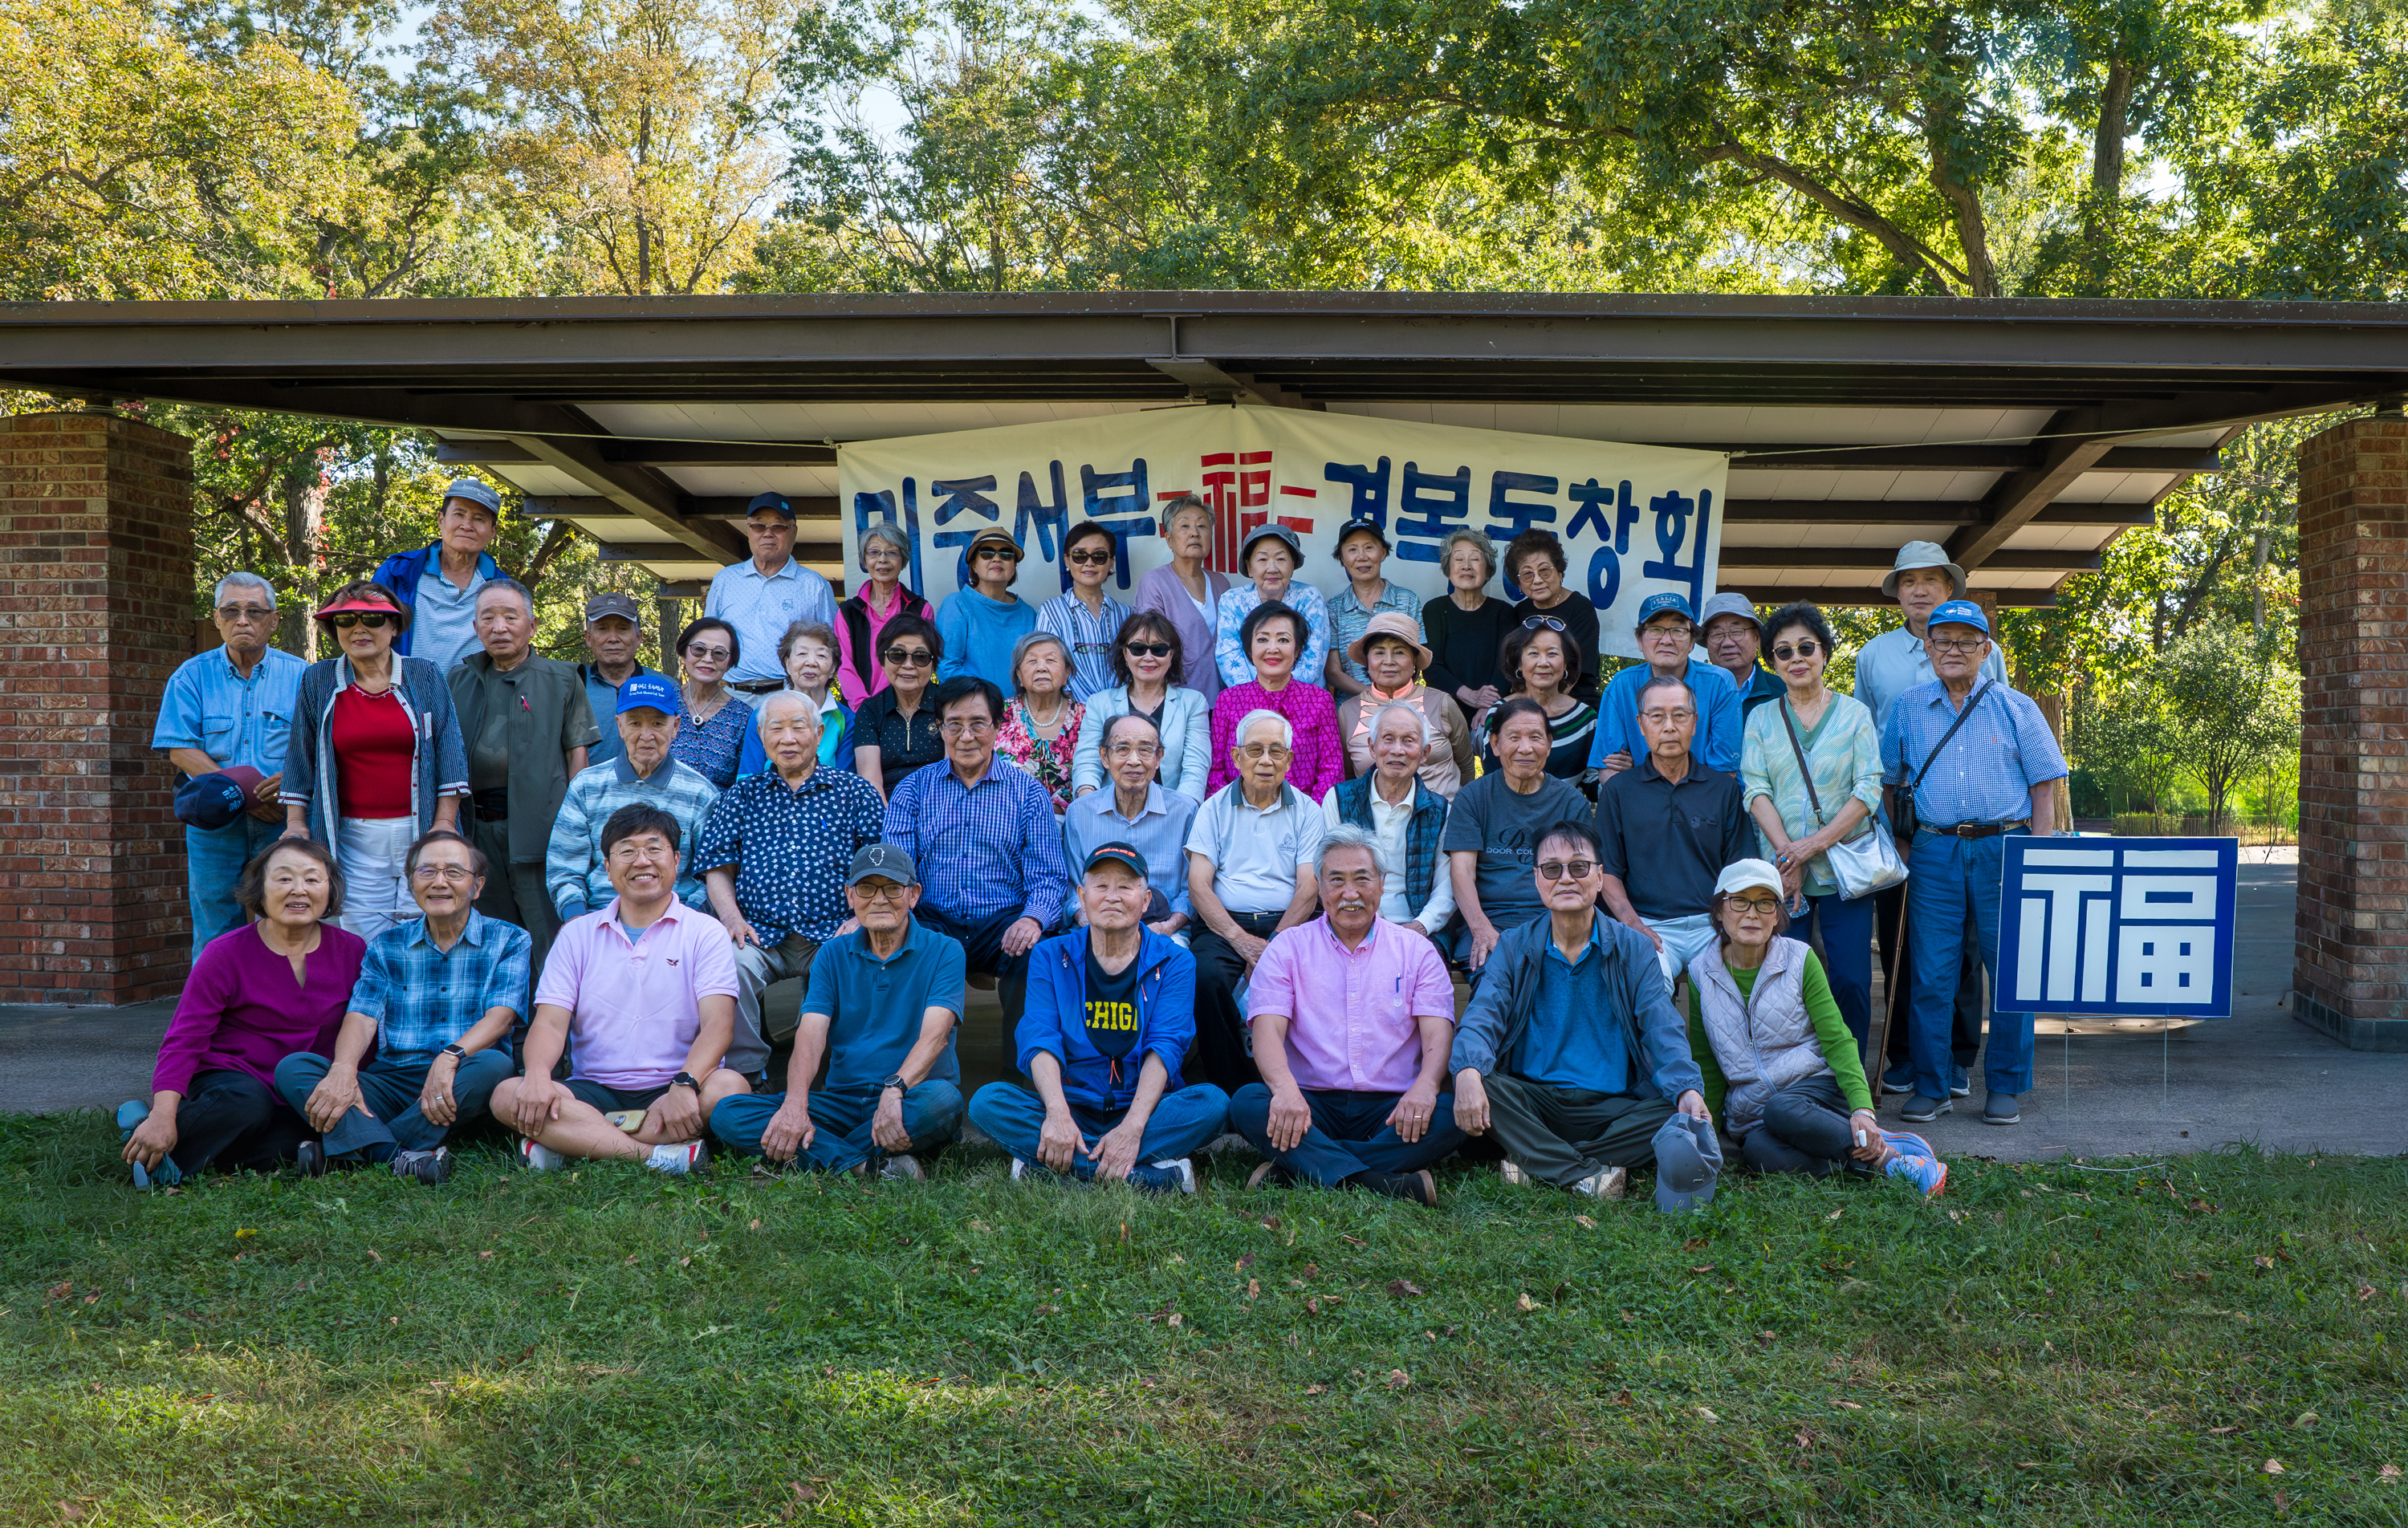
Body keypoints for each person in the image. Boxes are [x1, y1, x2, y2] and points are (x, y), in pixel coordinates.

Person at [1449, 821, 1719, 1206]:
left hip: (1612, 1108)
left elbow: (1662, 1026)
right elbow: (1482, 1017)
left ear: (1599, 877)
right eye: (1551, 869)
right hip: (1533, 1101)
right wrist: (1468, 1072)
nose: (1566, 879)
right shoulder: (1513, 946)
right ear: (1537, 880)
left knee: (1674, 1113)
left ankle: (1533, 1158)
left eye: (1579, 867)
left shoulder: (1634, 949)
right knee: (1481, 1082)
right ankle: (1587, 1173)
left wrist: (1687, 1089)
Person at [1881, 599, 2065, 1128]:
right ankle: (1932, 1084)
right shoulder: (1908, 706)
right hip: (1934, 851)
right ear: (1928, 648)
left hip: (2004, 848)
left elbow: (2045, 787)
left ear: (1986, 650)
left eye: (1967, 641)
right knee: (1932, 974)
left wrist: (2039, 858)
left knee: (2009, 972)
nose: (1953, 650)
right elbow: (1889, 780)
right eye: (1943, 640)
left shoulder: (2017, 706)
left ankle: (2005, 1084)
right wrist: (1903, 843)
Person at [494, 804, 751, 1173]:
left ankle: (573, 1141)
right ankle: (657, 1156)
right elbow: (549, 1022)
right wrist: (536, 1077)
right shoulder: (576, 934)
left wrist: (684, 1084)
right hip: (593, 1088)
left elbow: (719, 1025)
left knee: (729, 1088)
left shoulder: (705, 931)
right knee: (507, 1095)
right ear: (607, 867)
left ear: (677, 860)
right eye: (627, 851)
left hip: (677, 1084)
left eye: (654, 849)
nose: (642, 861)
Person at [273, 828, 532, 1185]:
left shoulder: (510, 938)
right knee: (295, 1067)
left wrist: (450, 1056)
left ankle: (357, 1147)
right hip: (393, 1080)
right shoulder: (386, 945)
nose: (439, 882)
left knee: (495, 1065)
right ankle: (396, 1157)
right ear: (411, 883)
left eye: (454, 872)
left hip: (463, 1075)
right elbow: (362, 1015)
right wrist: (344, 1069)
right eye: (427, 871)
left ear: (477, 886)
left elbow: (502, 1018)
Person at [969, 843, 1227, 1194]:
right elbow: (1039, 1037)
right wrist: (1057, 1115)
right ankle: (1150, 1178)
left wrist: (1132, 1128)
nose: (1112, 896)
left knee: (1213, 1103)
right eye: (1101, 886)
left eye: (1125, 886)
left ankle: (1053, 1169)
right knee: (988, 1103)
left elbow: (1167, 1045)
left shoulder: (1175, 961)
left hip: (1145, 1109)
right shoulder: (1050, 954)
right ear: (1082, 896)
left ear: (1146, 900)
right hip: (1072, 1105)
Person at [1230, 825, 1465, 1205]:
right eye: (1336, 880)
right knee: (1248, 1103)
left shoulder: (1417, 951)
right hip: (1310, 1103)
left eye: (1362, 879)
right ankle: (1380, 1181)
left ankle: (1302, 1168)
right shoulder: (1287, 948)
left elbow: (1438, 1034)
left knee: (1451, 1113)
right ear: (1320, 888)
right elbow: (1267, 1033)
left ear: (1382, 884)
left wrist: (1425, 1086)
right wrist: (1286, 1091)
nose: (1350, 893)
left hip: (1391, 1108)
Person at [1855, 543, 2011, 1103]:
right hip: (1902, 825)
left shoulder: (1987, 651)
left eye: (1931, 580)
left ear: (1949, 589)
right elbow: (1867, 739)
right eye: (1909, 581)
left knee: (1966, 948)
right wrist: (1889, 828)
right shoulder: (1873, 655)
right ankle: (1907, 1056)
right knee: (1904, 942)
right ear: (1897, 593)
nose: (1919, 589)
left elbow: (2000, 720)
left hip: (1969, 822)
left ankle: (1958, 1057)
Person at [117, 839, 366, 1189]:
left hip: (300, 1090)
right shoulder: (224, 953)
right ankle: (153, 1147)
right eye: (284, 879)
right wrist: (163, 1112)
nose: (299, 889)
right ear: (259, 889)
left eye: (312, 879)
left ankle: (202, 1148)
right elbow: (185, 1040)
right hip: (235, 1082)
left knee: (312, 1129)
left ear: (330, 890)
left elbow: (365, 1028)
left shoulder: (354, 950)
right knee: (247, 1105)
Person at [1685, 860, 1946, 1193]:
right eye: (1739, 901)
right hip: (1754, 1111)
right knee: (1759, 1154)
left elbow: (1837, 1039)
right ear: (1719, 910)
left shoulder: (1799, 959)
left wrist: (1862, 1108)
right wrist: (1707, 1134)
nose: (1752, 914)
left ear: (1777, 915)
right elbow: (1707, 1060)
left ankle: (1889, 1161)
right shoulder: (1700, 973)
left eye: (1765, 903)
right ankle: (1873, 1148)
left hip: (1814, 1091)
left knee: (1781, 1108)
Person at [710, 843, 966, 1180]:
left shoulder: (946, 950)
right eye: (866, 888)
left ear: (914, 895)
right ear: (850, 896)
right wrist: (796, 1105)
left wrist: (895, 1090)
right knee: (728, 1112)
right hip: (842, 1102)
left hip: (910, 1097)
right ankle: (865, 1166)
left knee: (944, 1099)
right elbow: (810, 1035)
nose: (879, 899)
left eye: (892, 888)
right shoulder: (831, 953)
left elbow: (935, 1038)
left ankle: (816, 1153)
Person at [697, 691, 888, 1078]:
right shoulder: (742, 796)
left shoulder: (855, 792)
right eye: (776, 729)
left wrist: (861, 919)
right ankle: (748, 1075)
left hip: (835, 932)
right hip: (758, 933)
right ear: (762, 737)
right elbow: (717, 866)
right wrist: (731, 919)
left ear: (818, 734)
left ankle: (848, 1076)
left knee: (861, 963)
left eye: (798, 727)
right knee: (729, 966)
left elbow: (880, 864)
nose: (788, 739)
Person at [282, 582, 468, 943]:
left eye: (373, 619)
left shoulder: (424, 674)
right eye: (346, 620)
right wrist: (296, 823)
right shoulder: (318, 679)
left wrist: (444, 824)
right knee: (363, 934)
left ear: (395, 626)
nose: (359, 628)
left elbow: (450, 750)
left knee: (430, 929)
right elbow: (300, 756)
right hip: (354, 837)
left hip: (423, 829)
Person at [884, 677, 1072, 1034]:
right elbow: (898, 870)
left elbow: (1048, 876)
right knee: (900, 948)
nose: (966, 736)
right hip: (932, 919)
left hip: (1004, 921)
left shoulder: (1028, 793)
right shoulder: (913, 790)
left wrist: (1032, 920)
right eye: (954, 724)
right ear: (940, 728)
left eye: (978, 724)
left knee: (1037, 956)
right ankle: (913, 1063)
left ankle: (1025, 1065)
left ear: (998, 727)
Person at [1739, 603, 1883, 1048]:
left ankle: (1849, 1076)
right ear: (1773, 662)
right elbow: (1755, 790)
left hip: (1845, 870)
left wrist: (1809, 848)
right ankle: (1794, 1072)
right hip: (1783, 875)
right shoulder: (1761, 718)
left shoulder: (1855, 715)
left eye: (1806, 647)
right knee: (1783, 980)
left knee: (1851, 980)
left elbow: (1868, 791)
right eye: (1783, 652)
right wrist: (1789, 855)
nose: (1796, 658)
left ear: (1824, 652)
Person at [155, 571, 308, 956]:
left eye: (255, 611)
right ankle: (214, 997)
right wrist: (246, 796)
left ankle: (280, 994)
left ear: (274, 620)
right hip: (214, 823)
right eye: (231, 611)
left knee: (288, 919)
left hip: (282, 821)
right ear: (216, 619)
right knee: (215, 923)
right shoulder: (191, 676)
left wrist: (291, 781)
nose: (243, 621)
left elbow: (320, 748)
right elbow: (180, 750)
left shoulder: (303, 676)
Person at [446, 577, 600, 962]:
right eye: (488, 618)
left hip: (541, 832)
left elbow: (577, 757)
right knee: (491, 938)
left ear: (532, 625)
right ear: (476, 627)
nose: (499, 627)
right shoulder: (457, 681)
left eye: (510, 617)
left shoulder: (562, 678)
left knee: (549, 939)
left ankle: (553, 1004)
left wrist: (575, 828)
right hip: (477, 832)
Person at [1185, 709, 1327, 1091]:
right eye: (1255, 750)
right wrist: (1241, 941)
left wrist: (1274, 944)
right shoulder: (1213, 809)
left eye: (1276, 751)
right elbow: (1199, 886)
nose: (1266, 760)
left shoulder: (1308, 811)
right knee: (1204, 976)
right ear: (1236, 757)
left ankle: (1305, 1083)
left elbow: (1309, 888)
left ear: (1290, 760)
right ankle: (1231, 1087)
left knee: (1314, 975)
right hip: (1224, 924)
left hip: (1289, 925)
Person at [1596, 673, 1752, 991]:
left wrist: (1729, 925)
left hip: (1713, 925)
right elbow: (1606, 872)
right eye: (1657, 716)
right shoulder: (1618, 791)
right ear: (1641, 724)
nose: (1669, 727)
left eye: (1680, 715)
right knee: (1647, 988)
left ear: (1695, 722)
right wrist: (1633, 925)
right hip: (1647, 923)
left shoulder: (1723, 790)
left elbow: (1741, 869)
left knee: (1731, 991)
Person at [547, 673, 722, 922]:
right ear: (620, 726)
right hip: (598, 917)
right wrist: (578, 923)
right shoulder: (586, 786)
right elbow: (564, 867)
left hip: (677, 919)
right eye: (635, 723)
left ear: (675, 727)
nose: (646, 735)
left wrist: (688, 923)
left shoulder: (701, 793)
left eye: (658, 724)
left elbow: (711, 874)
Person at [1442, 697, 1588, 977]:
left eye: (1535, 737)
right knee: (1496, 981)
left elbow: (1578, 879)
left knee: (1557, 983)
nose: (1525, 748)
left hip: (1552, 923)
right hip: (1489, 921)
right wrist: (1481, 929)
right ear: (1495, 744)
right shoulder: (1473, 798)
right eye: (1514, 737)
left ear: (1549, 744)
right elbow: (1462, 873)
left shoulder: (1570, 803)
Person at [1324, 702, 1456, 940]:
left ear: (1424, 753)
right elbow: (1331, 874)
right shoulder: (1339, 799)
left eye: (1408, 741)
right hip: (1352, 921)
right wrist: (1377, 925)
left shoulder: (1440, 810)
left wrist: (1421, 926)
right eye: (1388, 739)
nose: (1397, 750)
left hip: (1419, 929)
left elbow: (1446, 885)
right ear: (1372, 747)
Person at [1062, 713, 1198, 937]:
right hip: (1095, 929)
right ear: (1105, 757)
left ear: (1158, 758)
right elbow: (1072, 890)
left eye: (1145, 750)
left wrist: (1168, 927)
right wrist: (1092, 925)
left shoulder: (1185, 812)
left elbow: (1191, 891)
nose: (1134, 761)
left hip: (1163, 931)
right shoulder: (1080, 813)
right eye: (1122, 749)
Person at [1589, 593, 1743, 778]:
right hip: (1638, 795)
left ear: (1692, 642)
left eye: (1678, 630)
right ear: (1639, 641)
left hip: (1706, 795)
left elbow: (1725, 773)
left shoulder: (1719, 683)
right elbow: (1609, 769)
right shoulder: (1622, 685)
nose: (1667, 640)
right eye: (1655, 630)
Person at [706, 490, 839, 702]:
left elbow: (833, 647)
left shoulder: (814, 585)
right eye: (759, 526)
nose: (768, 533)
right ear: (748, 531)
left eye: (778, 526)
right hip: (730, 696)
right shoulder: (725, 580)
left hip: (791, 695)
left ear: (794, 532)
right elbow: (708, 640)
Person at [1206, 601, 1343, 800]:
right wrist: (1232, 810)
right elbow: (1215, 770)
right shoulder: (1229, 700)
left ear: (1297, 649)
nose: (1273, 648)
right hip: (1238, 811)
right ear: (1249, 649)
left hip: (1303, 813)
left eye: (1283, 640)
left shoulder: (1319, 700)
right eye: (1262, 640)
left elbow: (1332, 770)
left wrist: (1310, 812)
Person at [1069, 611, 1212, 800]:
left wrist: (1181, 811)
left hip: (1173, 809)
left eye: (1158, 649)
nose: (1148, 657)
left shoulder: (1193, 703)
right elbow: (1087, 762)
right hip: (1109, 808)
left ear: (1171, 655)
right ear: (1125, 654)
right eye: (1138, 649)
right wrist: (1089, 802)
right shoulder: (1100, 703)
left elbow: (1195, 769)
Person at [372, 478, 502, 674]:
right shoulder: (397, 572)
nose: (467, 525)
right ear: (441, 520)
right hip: (403, 690)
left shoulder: (503, 588)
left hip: (476, 694)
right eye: (459, 514)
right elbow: (369, 631)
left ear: (493, 532)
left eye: (479, 519)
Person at [1335, 612, 1472, 797]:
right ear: (1367, 660)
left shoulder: (1441, 703)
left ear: (1414, 660)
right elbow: (1349, 776)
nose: (1389, 661)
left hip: (1444, 812)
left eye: (1399, 652)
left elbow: (1466, 766)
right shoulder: (1348, 711)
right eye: (1379, 652)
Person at [1133, 493, 1230, 701]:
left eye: (1202, 526)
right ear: (1169, 539)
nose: (1194, 533)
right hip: (1178, 699)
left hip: (1224, 698)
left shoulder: (1221, 583)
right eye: (1185, 526)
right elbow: (1150, 644)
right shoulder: (1155, 582)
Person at [1213, 524, 1334, 691]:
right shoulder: (1232, 601)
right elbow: (1229, 657)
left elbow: (1312, 660)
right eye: (1263, 560)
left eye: (1281, 559)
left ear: (1293, 565)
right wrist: (1258, 697)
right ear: (1249, 567)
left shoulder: (1309, 598)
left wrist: (1281, 697)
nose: (1272, 569)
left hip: (1303, 697)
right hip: (1248, 698)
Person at [1479, 619, 1597, 784]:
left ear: (1566, 664)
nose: (1543, 663)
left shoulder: (1586, 719)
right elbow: (1491, 780)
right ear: (1519, 663)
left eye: (1552, 654)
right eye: (1533, 653)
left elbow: (1592, 782)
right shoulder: (1499, 713)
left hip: (1566, 802)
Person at [845, 611, 947, 796]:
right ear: (882, 660)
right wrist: (890, 815)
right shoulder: (870, 711)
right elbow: (871, 782)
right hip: (888, 806)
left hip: (940, 803)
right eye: (898, 655)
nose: (908, 665)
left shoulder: (948, 704)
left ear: (933, 664)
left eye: (921, 656)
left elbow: (953, 775)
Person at [734, 620, 852, 778]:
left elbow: (846, 781)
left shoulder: (847, 719)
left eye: (821, 655)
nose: (811, 662)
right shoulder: (762, 715)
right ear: (788, 664)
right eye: (802, 654)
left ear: (833, 669)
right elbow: (747, 778)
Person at [1422, 527, 1515, 727]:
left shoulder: (1504, 612)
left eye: (1474, 559)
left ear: (1488, 570)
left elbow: (1506, 666)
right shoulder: (1434, 609)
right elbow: (1430, 665)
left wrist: (1486, 706)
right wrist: (1471, 696)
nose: (1466, 566)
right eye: (1458, 559)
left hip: (1491, 711)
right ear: (1448, 569)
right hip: (1443, 710)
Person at [1035, 519, 1134, 704]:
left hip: (1122, 711)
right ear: (1067, 560)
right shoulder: (1051, 612)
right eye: (1080, 555)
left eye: (1099, 556)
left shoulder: (1126, 614)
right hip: (1073, 713)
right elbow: (1045, 667)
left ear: (1111, 563)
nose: (1089, 563)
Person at [834, 522, 930, 709]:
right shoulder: (848, 612)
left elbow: (921, 664)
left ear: (903, 561)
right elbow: (844, 665)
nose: (883, 560)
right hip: (859, 710)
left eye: (892, 553)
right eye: (874, 552)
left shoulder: (920, 609)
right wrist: (864, 709)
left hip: (905, 709)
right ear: (864, 561)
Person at [1324, 515, 1422, 696]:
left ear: (1383, 553)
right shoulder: (1333, 608)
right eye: (1352, 550)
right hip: (1351, 706)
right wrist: (1374, 697)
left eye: (1369, 548)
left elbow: (1419, 661)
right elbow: (1333, 671)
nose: (1362, 557)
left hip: (1401, 703)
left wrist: (1394, 699)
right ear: (1342, 558)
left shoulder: (1407, 600)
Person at [1503, 528, 1600, 703]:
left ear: (1560, 572)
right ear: (1519, 583)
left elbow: (1576, 670)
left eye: (1544, 571)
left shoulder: (1581, 608)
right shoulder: (1519, 611)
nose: (1537, 580)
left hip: (1576, 699)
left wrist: (1547, 707)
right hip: (1528, 702)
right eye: (1527, 574)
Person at [935, 526, 1037, 689]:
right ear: (974, 565)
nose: (997, 559)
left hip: (1021, 705)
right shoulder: (957, 604)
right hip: (972, 703)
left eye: (1006, 554)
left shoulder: (1028, 614)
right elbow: (946, 665)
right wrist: (986, 698)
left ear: (1014, 567)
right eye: (987, 553)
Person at [995, 631, 1084, 814]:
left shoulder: (1085, 717)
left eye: (1051, 660)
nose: (1041, 667)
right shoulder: (998, 714)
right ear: (1019, 675)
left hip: (1071, 821)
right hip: (1009, 820)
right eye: (1032, 661)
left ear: (1067, 673)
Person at [666, 617, 751, 788]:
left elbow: (745, 782)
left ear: (730, 663)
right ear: (683, 653)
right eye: (699, 649)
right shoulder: (663, 702)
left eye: (719, 653)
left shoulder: (744, 717)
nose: (707, 659)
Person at [576, 591, 654, 769]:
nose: (613, 638)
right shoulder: (573, 684)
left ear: (639, 637)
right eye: (602, 629)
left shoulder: (662, 687)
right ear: (589, 638)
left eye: (623, 629)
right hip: (589, 784)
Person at [1698, 591, 1786, 719]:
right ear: (1706, 643)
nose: (1727, 643)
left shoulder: (1785, 693)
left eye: (1737, 632)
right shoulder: (1691, 694)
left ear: (1757, 639)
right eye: (1717, 634)